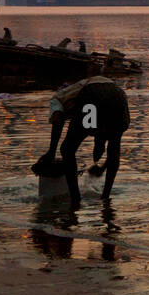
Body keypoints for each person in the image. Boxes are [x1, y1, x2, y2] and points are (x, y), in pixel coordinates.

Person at [37, 76, 130, 208]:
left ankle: (75, 199)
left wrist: (51, 152)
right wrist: (102, 167)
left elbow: (57, 119)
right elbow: (101, 124)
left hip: (93, 96)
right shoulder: (93, 86)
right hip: (119, 98)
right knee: (114, 145)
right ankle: (105, 198)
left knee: (67, 149)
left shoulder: (59, 97)